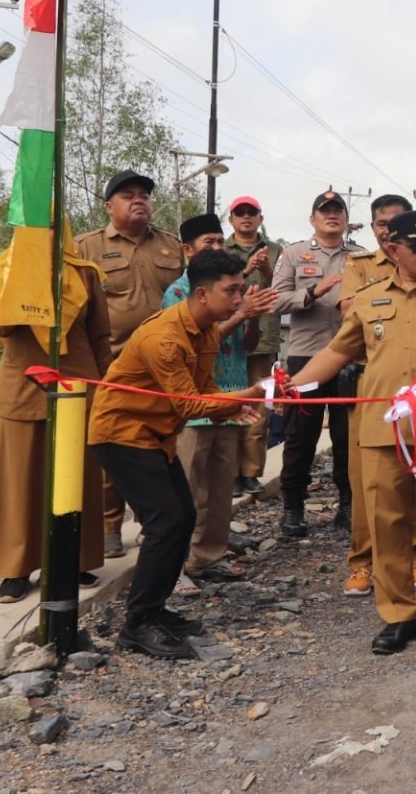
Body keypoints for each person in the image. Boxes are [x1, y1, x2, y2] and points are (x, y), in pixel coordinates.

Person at [288, 210, 416, 656]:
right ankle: (400, 615)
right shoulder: (368, 298)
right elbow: (338, 351)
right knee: (386, 526)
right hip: (383, 432)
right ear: (391, 249)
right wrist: (296, 383)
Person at [87, 250, 265, 659]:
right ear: (202, 294)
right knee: (165, 521)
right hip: (122, 435)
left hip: (156, 437)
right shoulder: (164, 337)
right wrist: (249, 394)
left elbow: (205, 390)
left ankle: (154, 610)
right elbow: (188, 404)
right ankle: (137, 624)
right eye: (232, 291)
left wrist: (238, 403)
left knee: (182, 518)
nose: (239, 299)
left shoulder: (204, 330)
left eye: (240, 289)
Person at [0, 246, 113, 601]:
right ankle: (16, 568)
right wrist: (26, 279)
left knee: (80, 475)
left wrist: (105, 388)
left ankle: (77, 558)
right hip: (22, 382)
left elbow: (101, 336)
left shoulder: (85, 273)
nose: (46, 232)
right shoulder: (5, 266)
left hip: (78, 383)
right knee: (20, 478)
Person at [162, 215, 279, 585]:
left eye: (218, 242)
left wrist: (253, 318)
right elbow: (191, 344)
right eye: (207, 242)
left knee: (219, 489)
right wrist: (242, 312)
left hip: (229, 400)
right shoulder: (178, 294)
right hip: (193, 408)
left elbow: (245, 346)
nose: (215, 248)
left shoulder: (232, 292)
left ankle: (208, 557)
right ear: (187, 250)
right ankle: (173, 563)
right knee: (187, 491)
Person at [77, 169, 184, 559]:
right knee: (114, 445)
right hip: (114, 366)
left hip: (165, 368)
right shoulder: (86, 248)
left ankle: (151, 523)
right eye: (128, 196)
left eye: (144, 194)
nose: (139, 200)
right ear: (109, 206)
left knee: (158, 444)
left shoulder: (172, 247)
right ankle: (108, 526)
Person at [337, 195, 416, 598]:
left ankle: (413, 558)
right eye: (381, 222)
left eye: (395, 222)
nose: (386, 229)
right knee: (367, 483)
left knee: (415, 477)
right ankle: (363, 563)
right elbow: (351, 316)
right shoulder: (360, 267)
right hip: (373, 387)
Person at [269, 190, 366, 538]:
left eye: (338, 210)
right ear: (313, 219)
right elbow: (274, 300)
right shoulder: (294, 254)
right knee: (300, 436)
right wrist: (312, 292)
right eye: (324, 211)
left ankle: (348, 504)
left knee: (348, 435)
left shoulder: (361, 257)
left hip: (350, 357)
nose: (332, 215)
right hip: (306, 358)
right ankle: (293, 508)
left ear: (345, 218)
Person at [224, 196, 284, 496]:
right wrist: (246, 270)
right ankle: (230, 473)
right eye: (240, 213)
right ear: (231, 219)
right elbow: (217, 284)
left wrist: (268, 269)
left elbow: (285, 289)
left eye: (252, 212)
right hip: (229, 340)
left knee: (259, 411)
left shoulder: (275, 250)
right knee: (232, 404)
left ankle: (250, 473)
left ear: (260, 218)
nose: (246, 217)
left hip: (265, 338)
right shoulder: (222, 249)